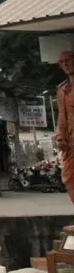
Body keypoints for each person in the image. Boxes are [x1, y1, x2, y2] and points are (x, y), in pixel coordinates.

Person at [55, 50, 74, 204]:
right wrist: (61, 136)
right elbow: (62, 115)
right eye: (62, 62)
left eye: (68, 60)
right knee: (68, 178)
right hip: (69, 143)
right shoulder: (62, 90)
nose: (65, 64)